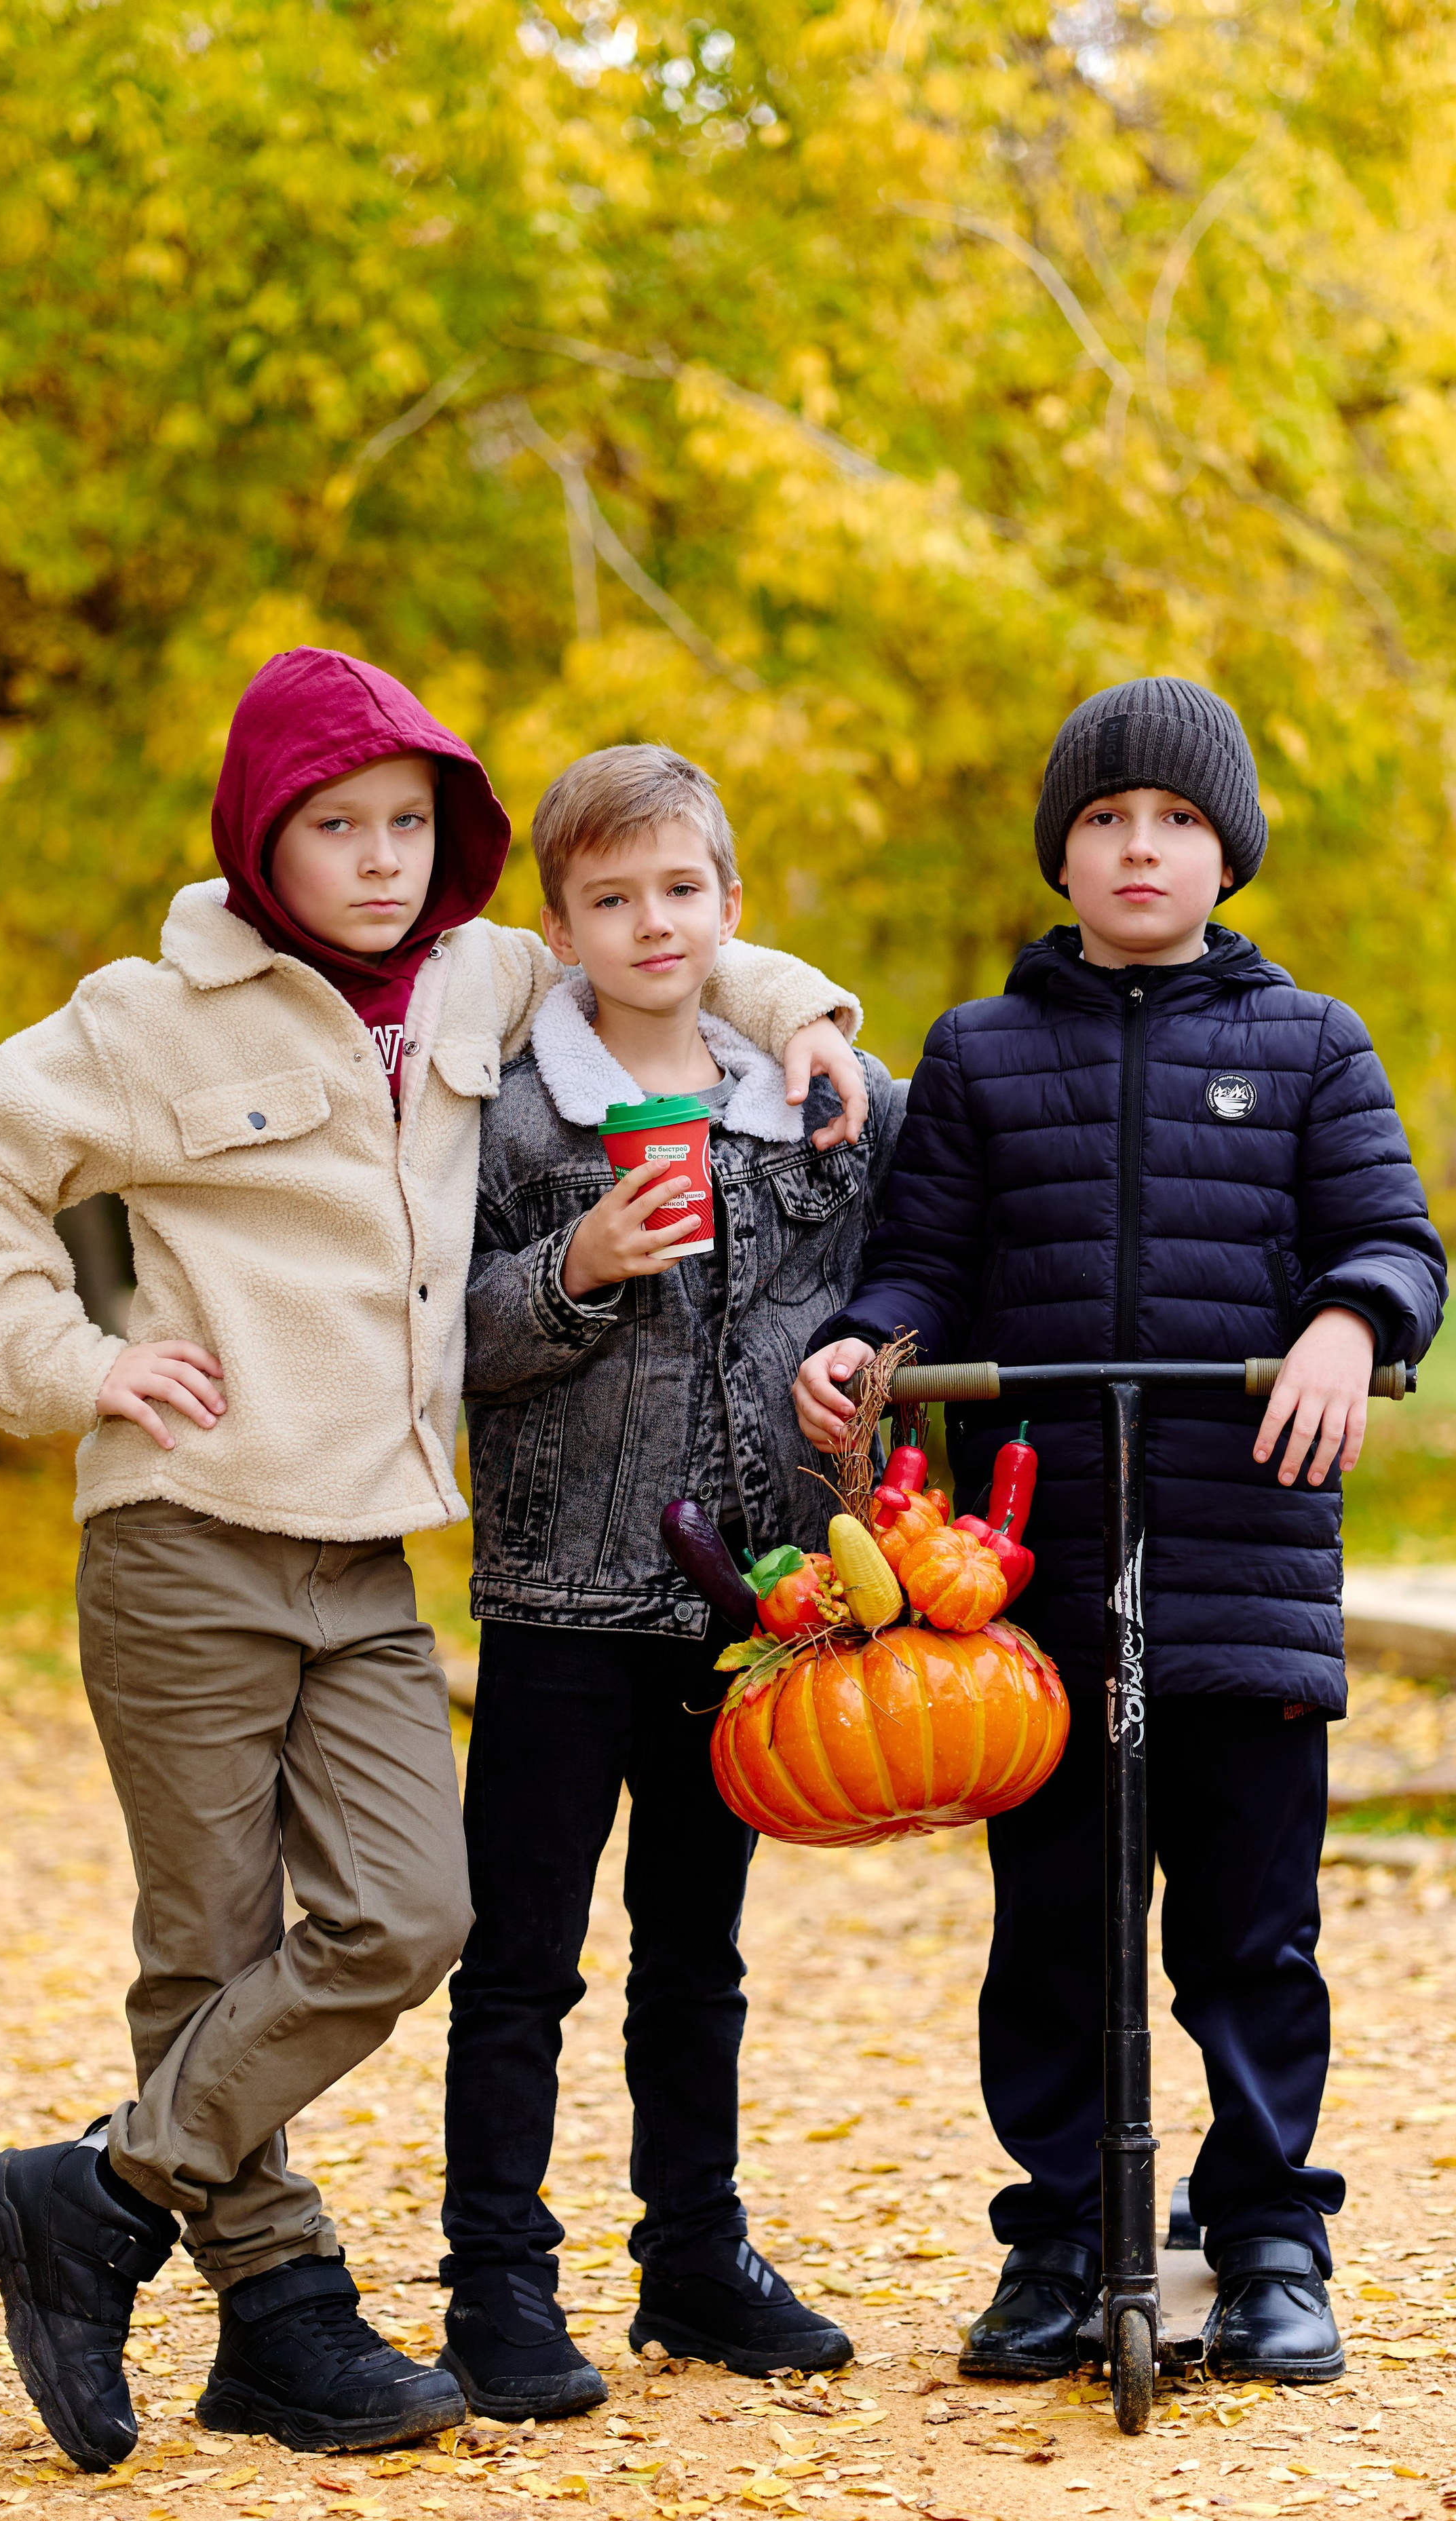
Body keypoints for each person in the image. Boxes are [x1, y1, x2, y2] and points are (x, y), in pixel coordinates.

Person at [0, 649, 870, 2471]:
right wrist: (78, 1362)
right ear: (262, 844)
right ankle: (277, 2312)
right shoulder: (146, 1016)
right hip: (183, 1530)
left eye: (410, 828)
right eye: (335, 830)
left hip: (364, 1554)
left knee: (412, 1917)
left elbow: (654, 940)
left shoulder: (481, 981)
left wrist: (808, 1013)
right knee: (210, 1940)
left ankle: (93, 2193)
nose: (377, 863)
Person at [794, 678, 1447, 2386]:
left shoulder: (1310, 1045)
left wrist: (1343, 1321)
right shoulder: (982, 1051)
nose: (1136, 848)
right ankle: (1068, 2237)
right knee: (1054, 1928)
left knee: (1249, 1926)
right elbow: (920, 1262)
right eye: (1101, 821)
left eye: (1170, 820)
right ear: (1058, 857)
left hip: (1240, 1558)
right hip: (1032, 1574)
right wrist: (867, 1344)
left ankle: (1267, 2239)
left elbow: (1388, 1238)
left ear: (1224, 853)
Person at [437, 744, 903, 2420]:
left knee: (693, 1952)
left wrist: (866, 1352)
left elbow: (919, 1265)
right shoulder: (504, 1113)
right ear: (558, 925)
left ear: (729, 907)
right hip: (562, 1594)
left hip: (750, 1608)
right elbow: (441, 1337)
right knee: (519, 1961)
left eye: (679, 891)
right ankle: (495, 2280)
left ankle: (693, 2257)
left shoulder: (816, 1104)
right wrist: (569, 1269)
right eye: (611, 898)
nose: (650, 923)